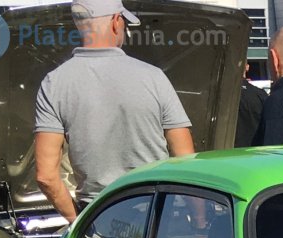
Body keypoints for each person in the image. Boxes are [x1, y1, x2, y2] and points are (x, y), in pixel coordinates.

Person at [34, 0, 193, 222]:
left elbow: (46, 176)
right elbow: (186, 160)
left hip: (99, 215)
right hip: (156, 214)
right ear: (116, 22)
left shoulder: (54, 83)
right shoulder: (154, 77)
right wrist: (200, 220)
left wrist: (80, 223)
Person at [235, 61, 267, 148]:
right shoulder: (260, 94)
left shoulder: (221, 96)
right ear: (247, 67)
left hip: (227, 153)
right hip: (254, 152)